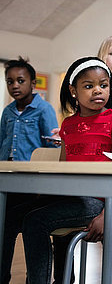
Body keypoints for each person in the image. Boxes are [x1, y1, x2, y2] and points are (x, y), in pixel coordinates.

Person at [21, 57, 112, 284]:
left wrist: (107, 215)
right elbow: (64, 171)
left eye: (103, 85)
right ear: (73, 90)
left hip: (105, 202)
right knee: (22, 214)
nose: (97, 91)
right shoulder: (68, 125)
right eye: (88, 86)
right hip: (74, 199)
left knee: (36, 222)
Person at [0, 57, 59, 284]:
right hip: (9, 181)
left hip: (33, 184)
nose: (15, 85)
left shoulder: (44, 109)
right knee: (4, 233)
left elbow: (51, 145)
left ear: (33, 83)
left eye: (20, 80)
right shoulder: (7, 112)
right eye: (10, 81)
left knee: (32, 233)